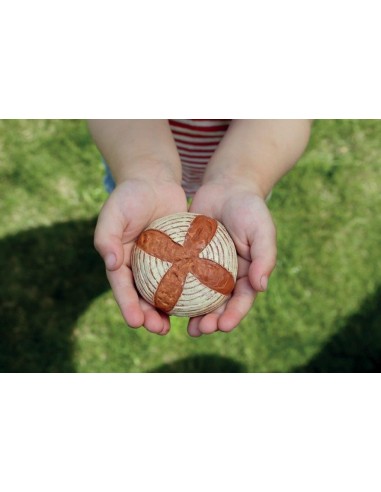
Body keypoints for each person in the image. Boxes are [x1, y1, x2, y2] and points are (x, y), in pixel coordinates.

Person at [88, 119, 312, 337]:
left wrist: (242, 180)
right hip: (132, 149)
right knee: (133, 215)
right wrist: (144, 172)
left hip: (246, 156)